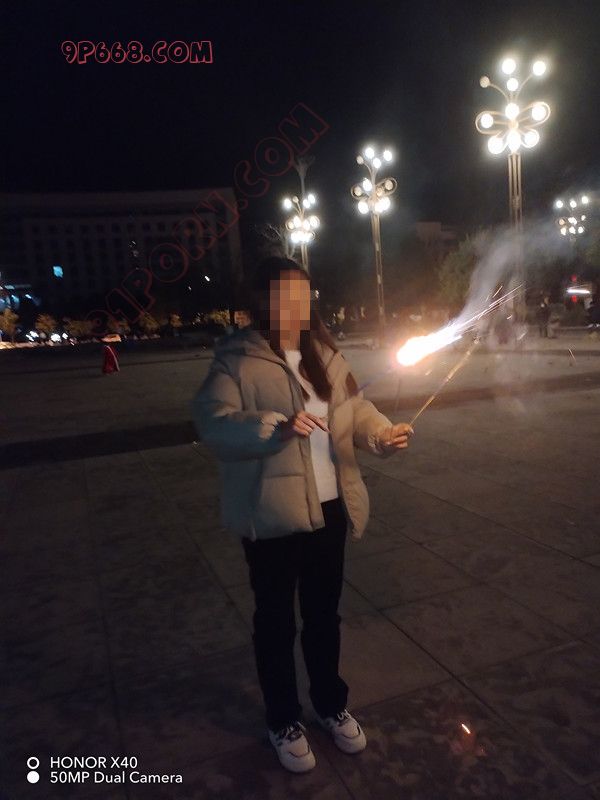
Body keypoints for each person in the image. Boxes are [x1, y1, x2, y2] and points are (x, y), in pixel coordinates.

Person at [191, 257, 413, 774]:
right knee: (275, 621)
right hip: (270, 515)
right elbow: (213, 423)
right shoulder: (237, 360)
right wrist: (274, 426)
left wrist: (380, 434)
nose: (297, 304)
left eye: (303, 294)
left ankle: (331, 704)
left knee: (323, 616)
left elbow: (356, 409)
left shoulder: (326, 355)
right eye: (284, 294)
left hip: (331, 508)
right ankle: (283, 719)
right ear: (261, 300)